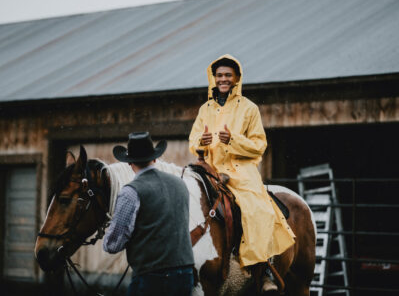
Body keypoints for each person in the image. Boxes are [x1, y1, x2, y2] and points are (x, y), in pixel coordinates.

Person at [189, 54, 295, 292]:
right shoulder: (205, 109)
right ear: (213, 78)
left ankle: (264, 267)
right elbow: (193, 140)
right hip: (210, 169)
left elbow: (259, 144)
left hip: (240, 171)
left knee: (259, 208)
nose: (223, 79)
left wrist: (233, 140)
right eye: (219, 75)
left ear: (237, 78)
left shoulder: (250, 108)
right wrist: (201, 142)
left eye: (228, 75)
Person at [103, 132, 194, 296]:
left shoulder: (130, 192)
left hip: (153, 278)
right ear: (154, 158)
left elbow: (113, 244)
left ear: (129, 163)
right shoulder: (180, 184)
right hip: (185, 273)